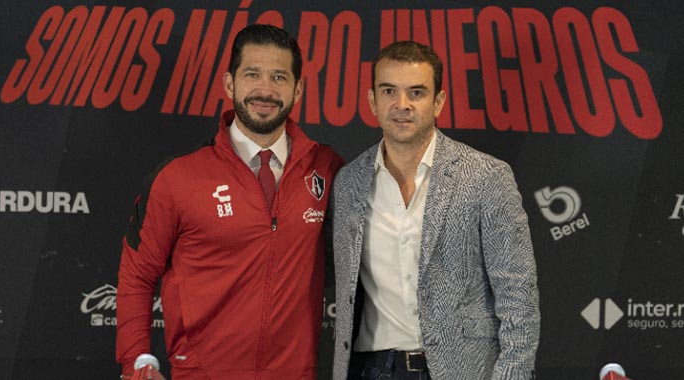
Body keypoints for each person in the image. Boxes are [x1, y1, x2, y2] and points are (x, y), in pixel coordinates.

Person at [116, 24, 344, 380]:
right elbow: (137, 275)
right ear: (229, 83)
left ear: (298, 89)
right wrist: (136, 363)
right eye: (252, 74)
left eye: (279, 77)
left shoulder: (329, 169)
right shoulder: (179, 177)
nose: (265, 90)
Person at [331, 41, 540, 380]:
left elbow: (518, 293)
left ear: (438, 101)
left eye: (416, 92)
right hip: (370, 369)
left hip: (463, 370)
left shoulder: (487, 176)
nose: (402, 105)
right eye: (389, 91)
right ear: (372, 100)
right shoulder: (349, 182)